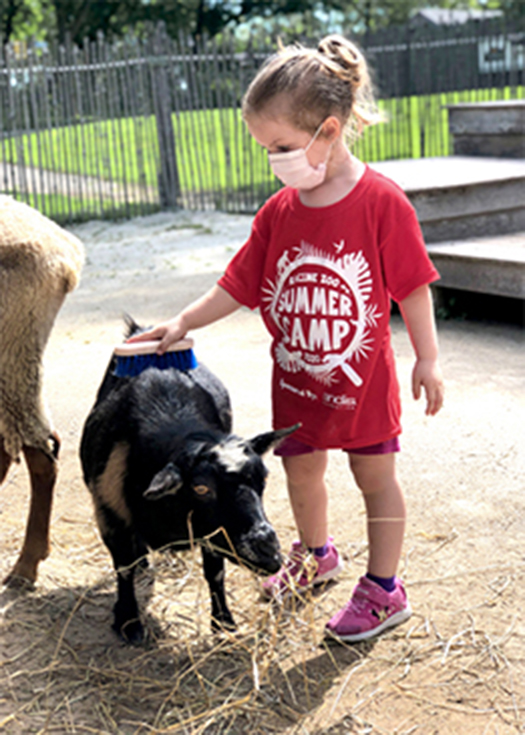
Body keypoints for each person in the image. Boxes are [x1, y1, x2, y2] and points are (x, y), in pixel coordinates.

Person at [128, 35, 444, 643]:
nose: (273, 159)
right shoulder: (279, 212)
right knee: (301, 474)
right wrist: (185, 322)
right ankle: (318, 554)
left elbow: (414, 286)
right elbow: (238, 281)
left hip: (361, 386)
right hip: (298, 384)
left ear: (328, 131)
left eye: (281, 147)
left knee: (375, 479)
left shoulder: (382, 204)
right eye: (265, 148)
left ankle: (383, 590)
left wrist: (428, 358)